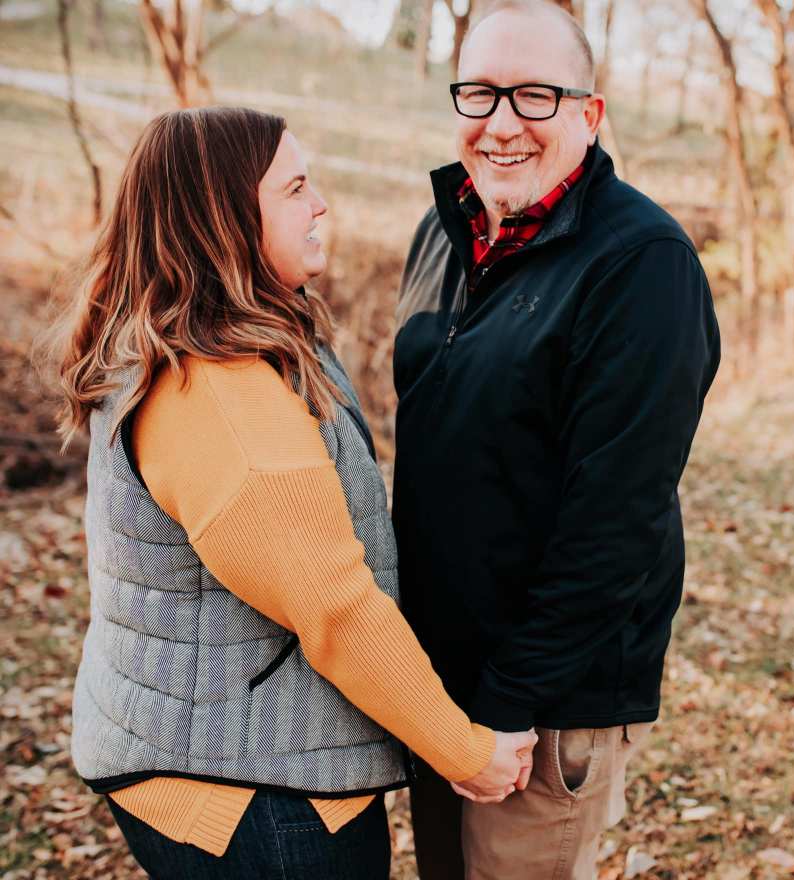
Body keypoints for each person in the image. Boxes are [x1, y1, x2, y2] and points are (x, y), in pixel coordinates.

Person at [54, 106, 535, 880]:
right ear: (223, 217)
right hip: (254, 796)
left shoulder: (221, 336)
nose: (320, 207)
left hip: (221, 753)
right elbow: (335, 607)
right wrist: (466, 752)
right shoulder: (220, 398)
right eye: (297, 188)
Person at [392, 1, 721, 877]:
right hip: (438, 688)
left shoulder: (642, 265)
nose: (503, 124)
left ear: (590, 113)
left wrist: (508, 707)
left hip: (543, 707)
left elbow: (615, 519)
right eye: (481, 94)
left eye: (536, 96)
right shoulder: (442, 231)